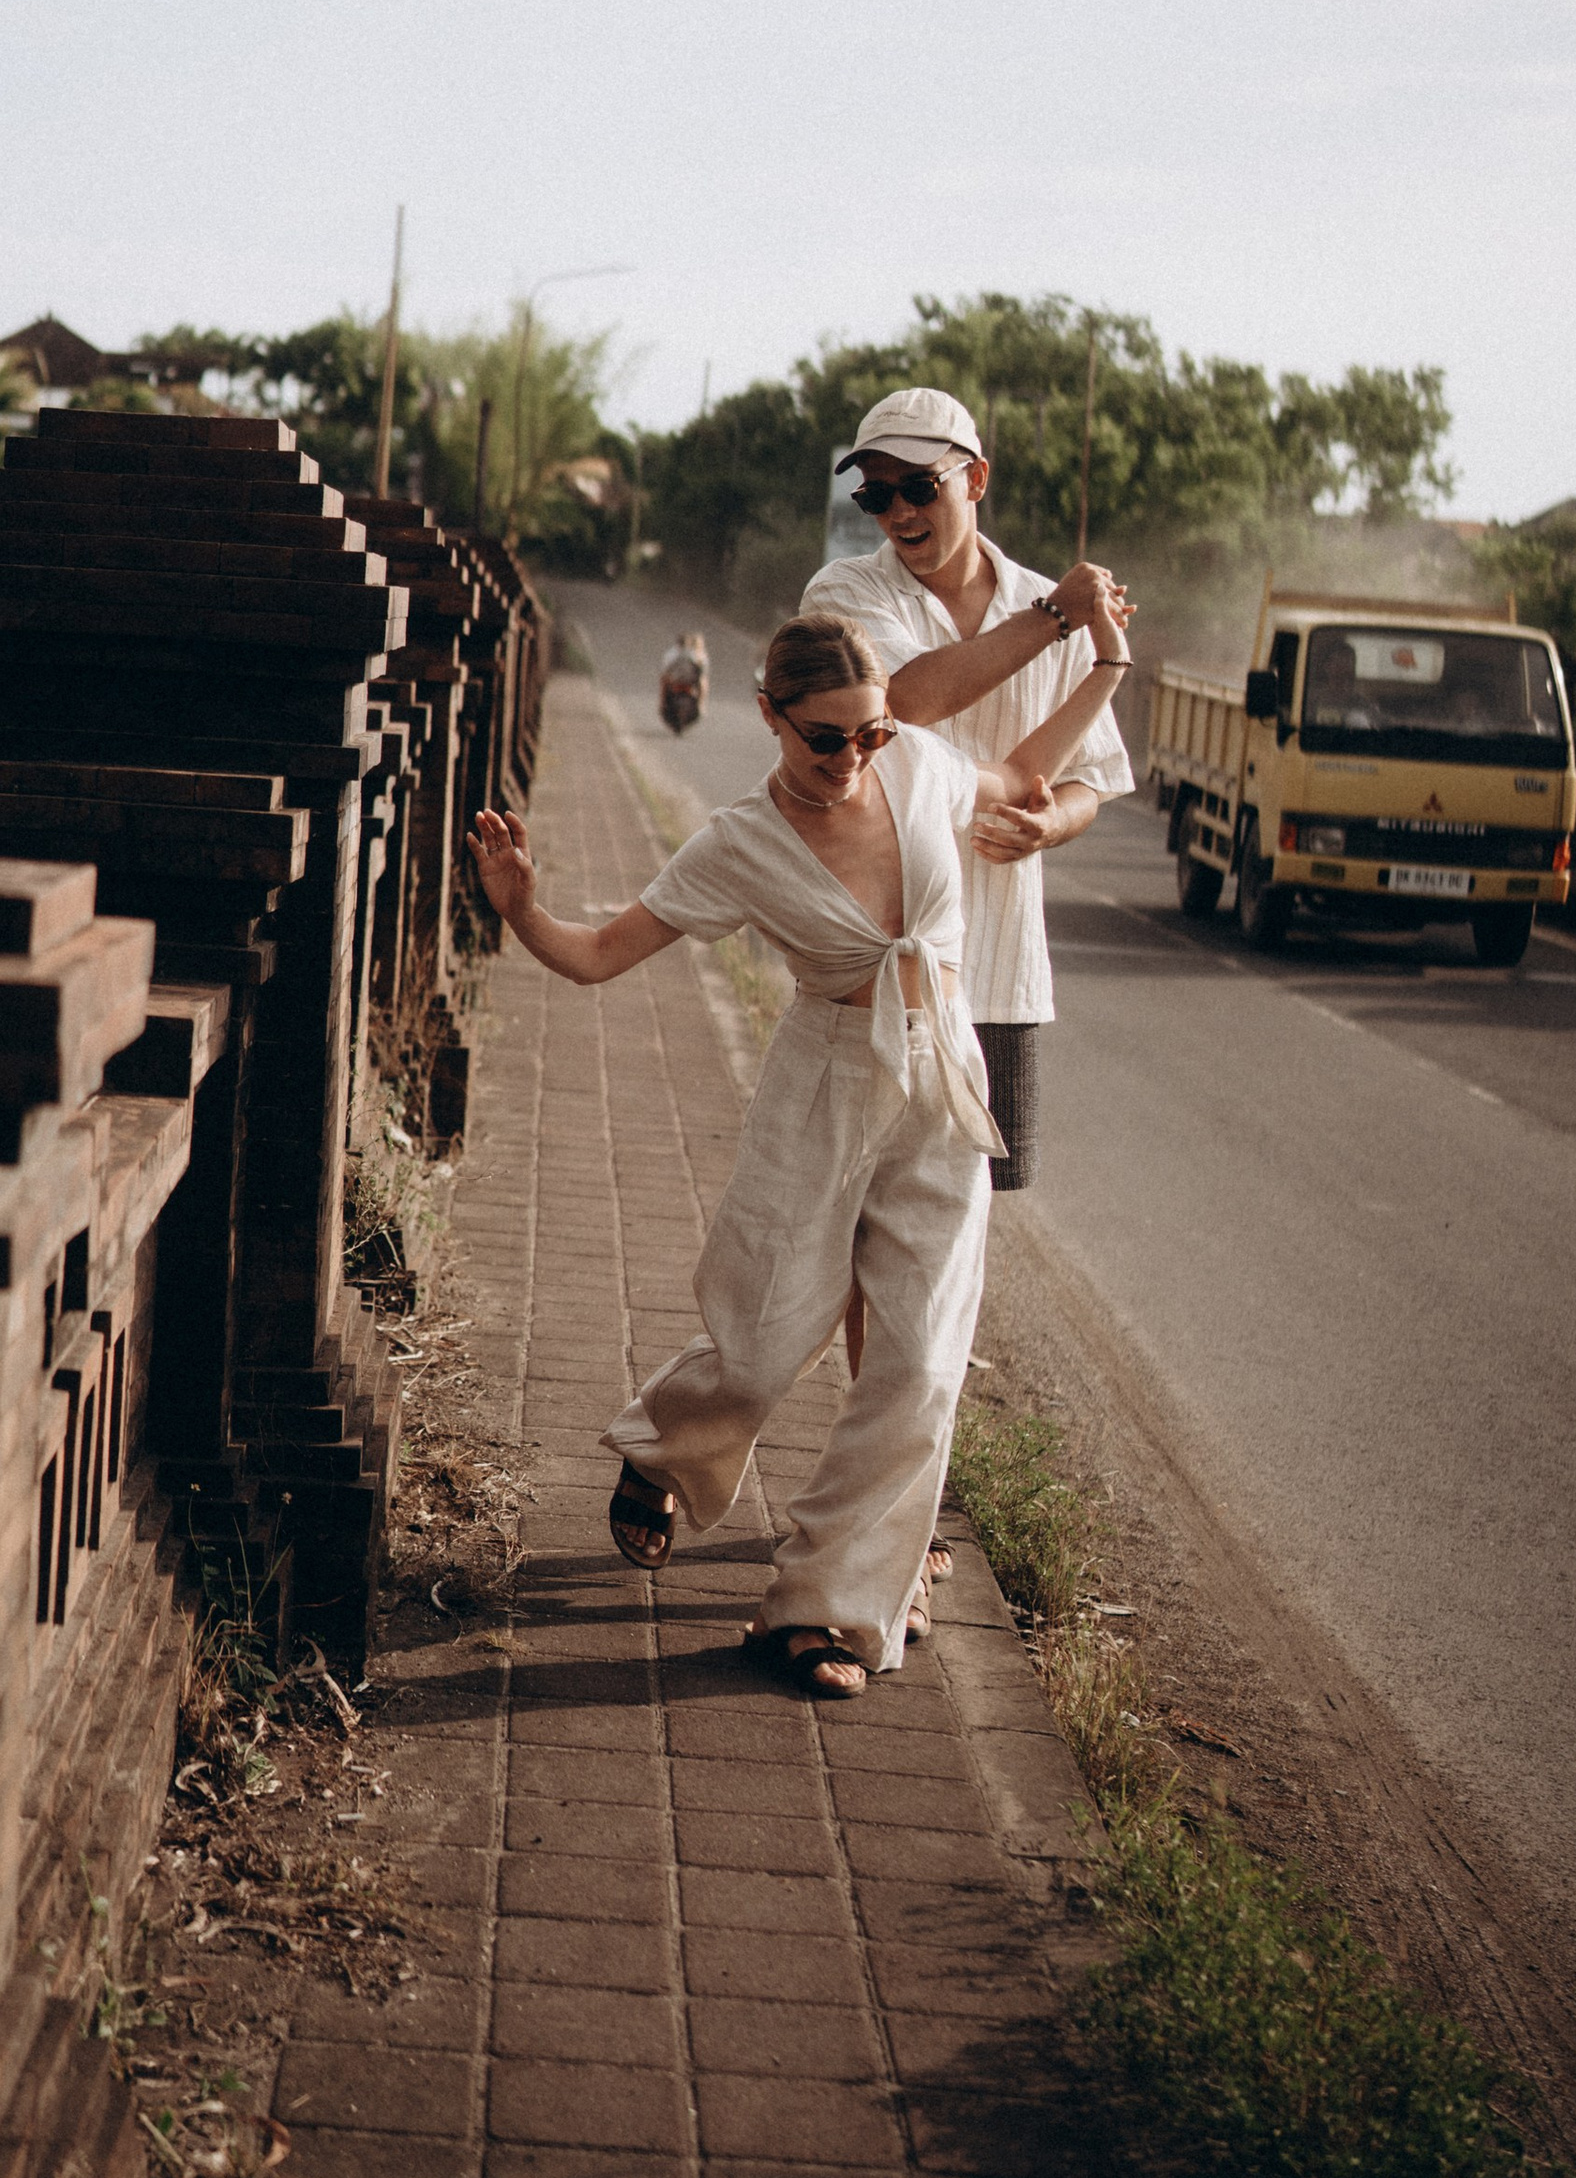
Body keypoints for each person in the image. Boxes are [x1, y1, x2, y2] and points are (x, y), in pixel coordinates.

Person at [468, 606, 1134, 1696]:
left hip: (938, 1086)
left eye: (869, 732)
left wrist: (1102, 666)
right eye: (826, 737)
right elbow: (596, 957)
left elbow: (1017, 778)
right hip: (821, 1084)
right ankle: (662, 1451)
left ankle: (826, 1611)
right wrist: (522, 909)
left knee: (919, 1367)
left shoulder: (915, 764)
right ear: (770, 715)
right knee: (764, 1338)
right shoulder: (740, 842)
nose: (853, 757)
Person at [799, 385, 1134, 1192]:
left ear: (975, 480)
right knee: (859, 1200)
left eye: (920, 488)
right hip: (879, 957)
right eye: (877, 496)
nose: (900, 515)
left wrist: (1052, 827)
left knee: (973, 1212)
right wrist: (1057, 616)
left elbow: (1092, 777)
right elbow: (905, 698)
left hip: (997, 967)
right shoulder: (847, 594)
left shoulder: (1041, 602)